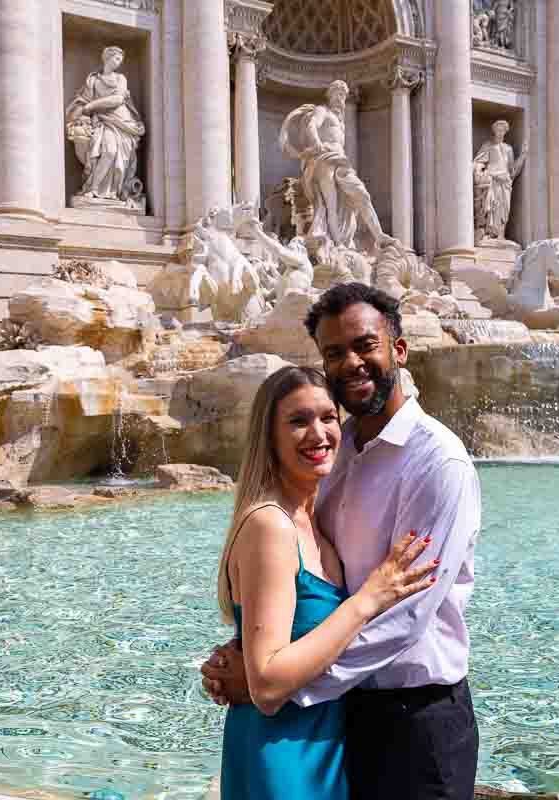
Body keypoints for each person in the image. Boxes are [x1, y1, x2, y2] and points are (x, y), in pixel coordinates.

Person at [203, 283, 483, 799]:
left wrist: (275, 685)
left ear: (398, 349)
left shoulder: (438, 463)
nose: (352, 362)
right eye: (335, 352)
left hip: (414, 722)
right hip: (339, 717)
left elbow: (406, 619)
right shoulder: (336, 456)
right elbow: (297, 591)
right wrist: (245, 656)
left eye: (365, 345)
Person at [216, 364, 439, 800]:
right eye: (298, 421)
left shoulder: (316, 524)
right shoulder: (271, 526)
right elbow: (266, 684)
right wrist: (368, 599)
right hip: (282, 757)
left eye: (327, 417)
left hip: (324, 747)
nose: (318, 434)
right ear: (269, 436)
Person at [279, 81, 389, 252]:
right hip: (324, 159)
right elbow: (311, 125)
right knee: (330, 204)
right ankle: (337, 245)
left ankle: (379, 235)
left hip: (341, 161)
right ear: (330, 96)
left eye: (343, 96)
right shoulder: (323, 111)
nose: (341, 99)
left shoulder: (341, 122)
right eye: (338, 94)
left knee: (361, 194)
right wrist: (316, 144)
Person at [65, 46, 146, 204]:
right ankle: (93, 190)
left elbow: (117, 99)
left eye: (120, 60)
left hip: (121, 121)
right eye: (116, 59)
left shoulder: (120, 78)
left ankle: (107, 191)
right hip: (101, 120)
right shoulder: (93, 79)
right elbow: (82, 101)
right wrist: (82, 112)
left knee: (112, 153)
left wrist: (91, 106)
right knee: (106, 151)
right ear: (107, 58)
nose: (118, 63)